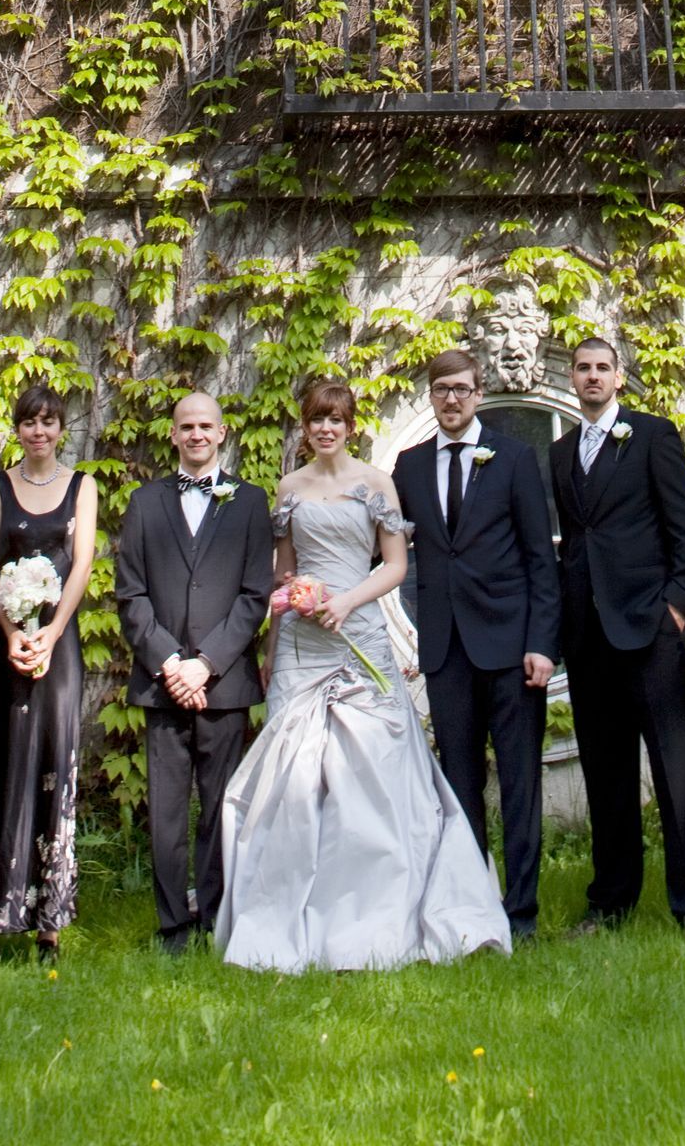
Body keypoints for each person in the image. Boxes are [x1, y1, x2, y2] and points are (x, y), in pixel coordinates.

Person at [216, 375, 512, 971]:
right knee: (295, 782)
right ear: (304, 428)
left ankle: (377, 911)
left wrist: (348, 601)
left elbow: (398, 565)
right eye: (315, 420)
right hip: (304, 646)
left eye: (336, 420)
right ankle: (290, 914)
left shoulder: (377, 484)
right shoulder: (289, 488)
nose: (326, 429)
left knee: (375, 773)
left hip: (361, 638)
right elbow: (285, 572)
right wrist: (279, 637)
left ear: (351, 426)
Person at [550, 336, 685, 932]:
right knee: (606, 774)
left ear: (619, 378)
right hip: (588, 636)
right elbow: (576, 541)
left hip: (650, 630)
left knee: (678, 771)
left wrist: (676, 609)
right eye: (583, 368)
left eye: (603, 368)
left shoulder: (652, 435)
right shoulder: (561, 452)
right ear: (572, 379)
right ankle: (611, 903)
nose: (593, 377)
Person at [392, 346, 562, 941]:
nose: (452, 399)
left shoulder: (514, 458)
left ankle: (521, 913)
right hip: (444, 648)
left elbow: (543, 558)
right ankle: (469, 909)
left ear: (479, 392)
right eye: (442, 390)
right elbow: (387, 551)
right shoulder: (408, 467)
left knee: (519, 781)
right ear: (431, 395)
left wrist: (542, 643)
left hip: (513, 648)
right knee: (459, 785)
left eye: (462, 388)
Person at [114, 391, 273, 952]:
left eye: (207, 425)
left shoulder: (251, 502)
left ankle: (212, 916)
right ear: (174, 435)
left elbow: (255, 596)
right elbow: (130, 594)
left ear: (223, 433)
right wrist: (170, 663)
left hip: (223, 685)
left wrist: (205, 665)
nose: (197, 434)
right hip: (162, 685)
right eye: (187, 426)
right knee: (166, 812)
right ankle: (171, 926)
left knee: (221, 806)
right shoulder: (145, 502)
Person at [0, 379, 98, 964]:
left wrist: (52, 632)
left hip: (57, 648)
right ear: (18, 429)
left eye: (50, 422)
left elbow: (82, 562)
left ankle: (47, 925)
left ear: (62, 429)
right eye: (30, 422)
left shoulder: (81, 488)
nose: (40, 432)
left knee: (51, 770)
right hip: (0, 648)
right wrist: (11, 632)